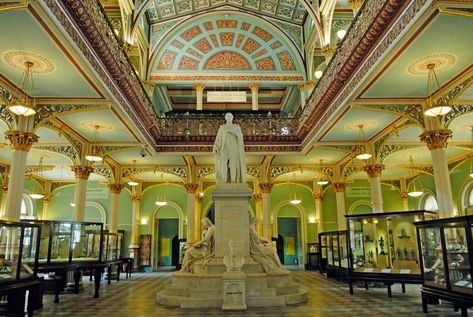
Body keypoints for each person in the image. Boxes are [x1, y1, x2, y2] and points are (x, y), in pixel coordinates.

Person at [213, 112, 246, 183]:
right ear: (225, 118)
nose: (229, 117)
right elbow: (218, 138)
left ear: (232, 118)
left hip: (234, 148)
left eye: (230, 116)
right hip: (224, 147)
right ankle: (224, 180)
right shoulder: (222, 127)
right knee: (224, 163)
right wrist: (216, 147)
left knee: (233, 164)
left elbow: (240, 137)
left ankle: (233, 180)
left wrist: (233, 132)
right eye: (227, 116)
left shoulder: (236, 127)